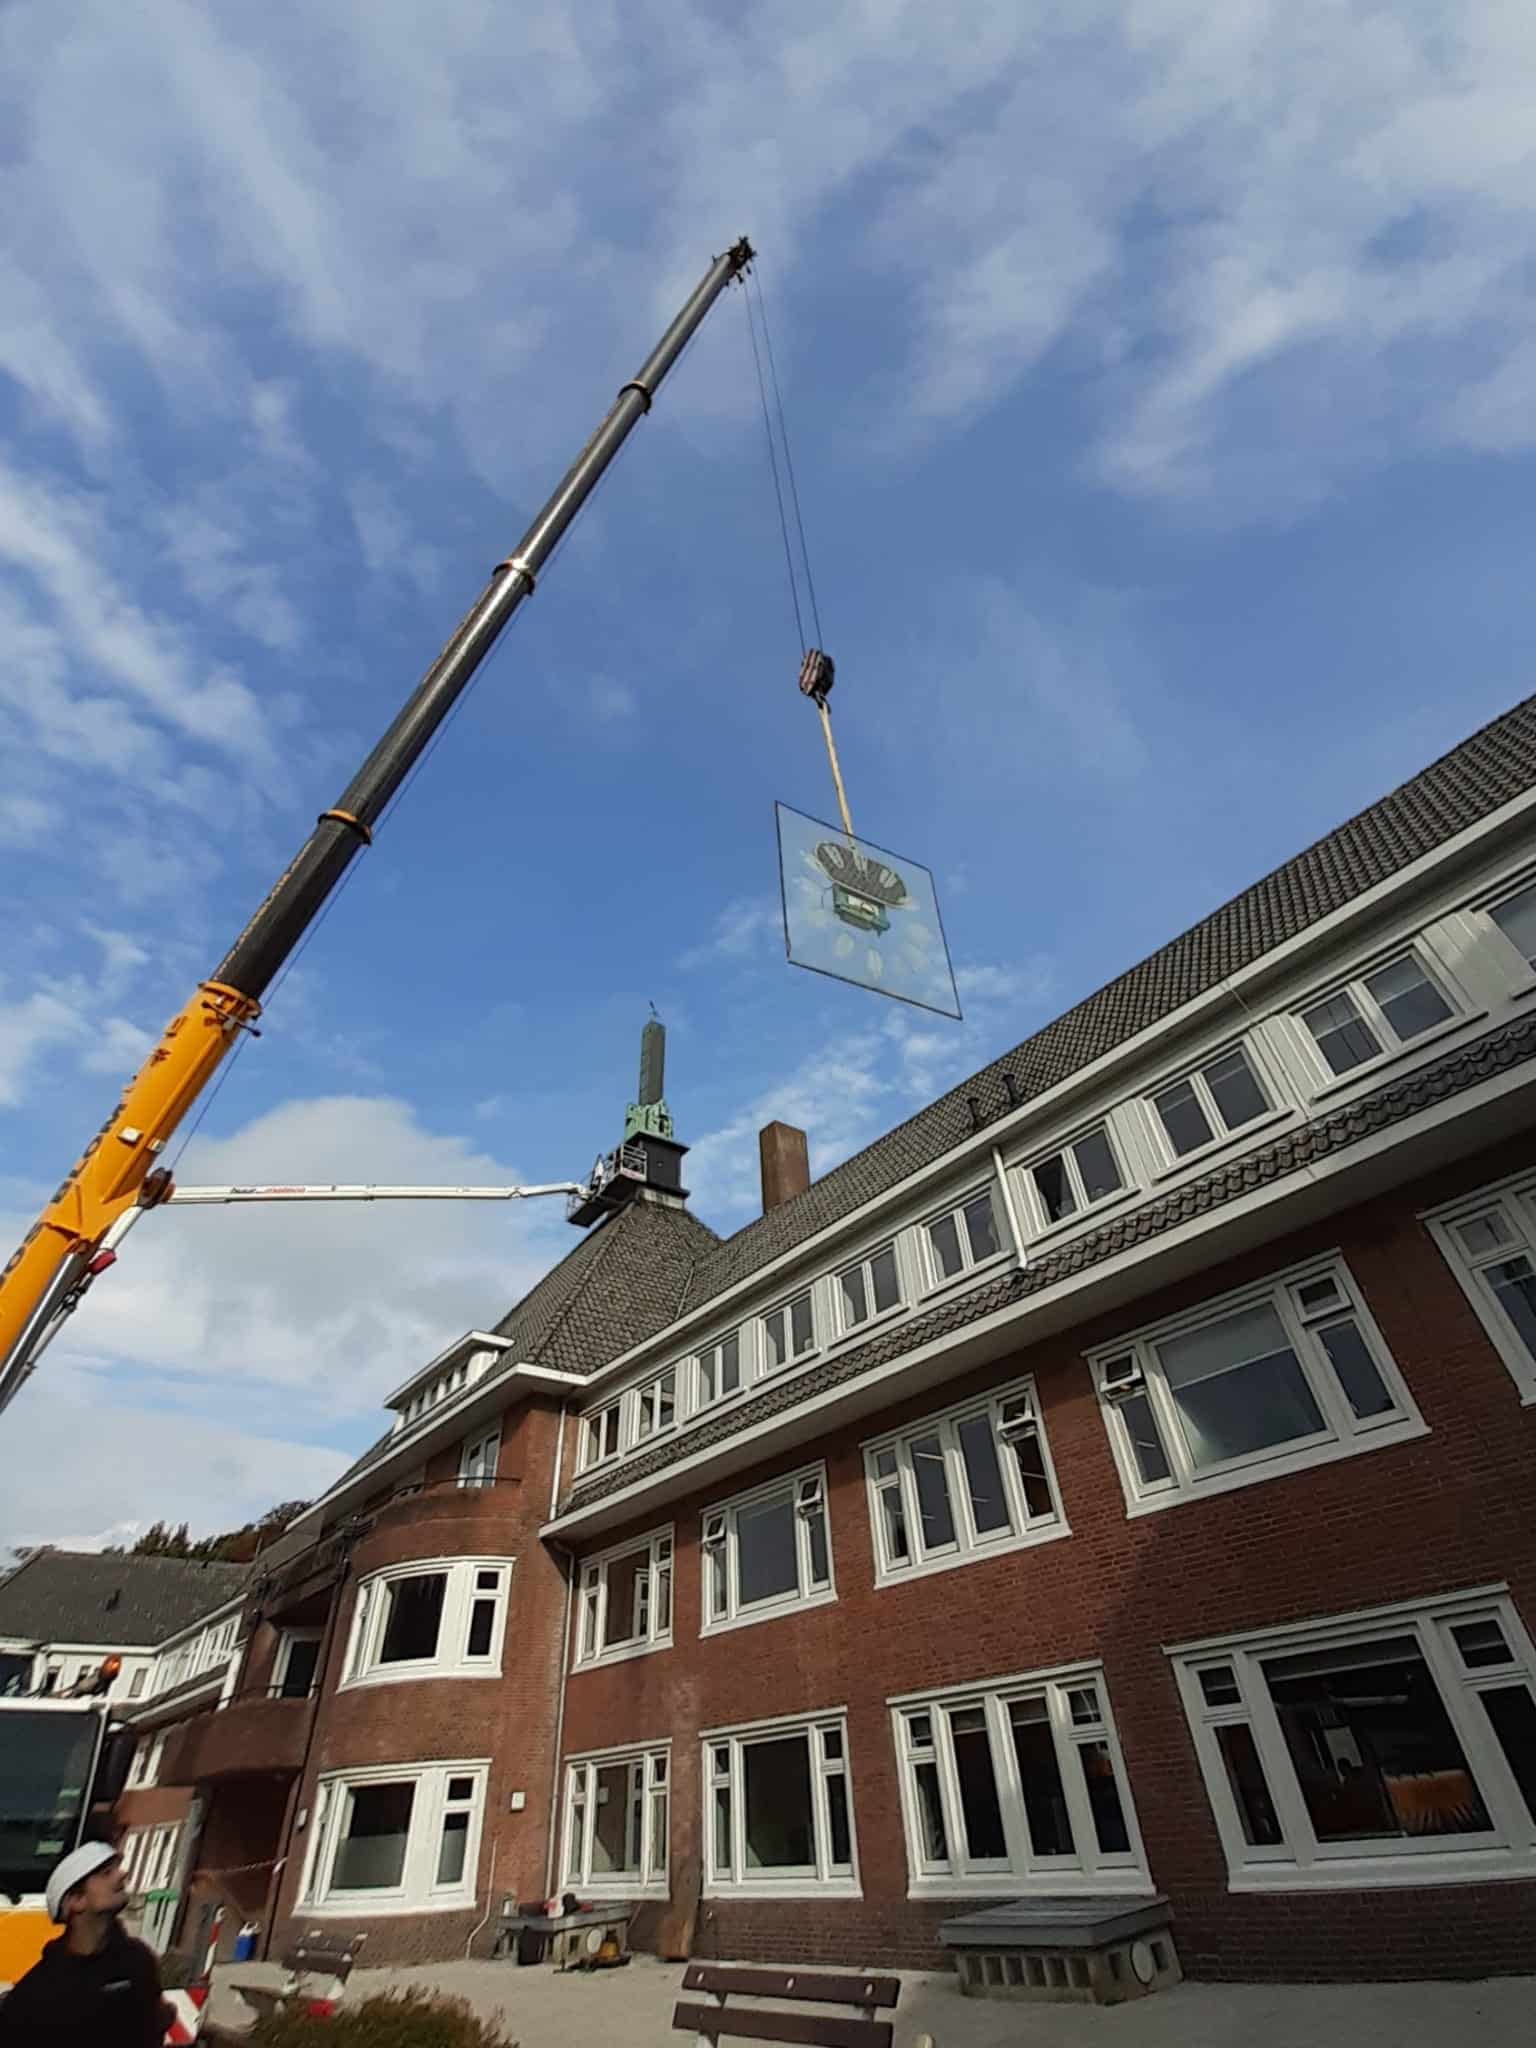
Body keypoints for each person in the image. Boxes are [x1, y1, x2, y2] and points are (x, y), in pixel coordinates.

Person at [0, 1841, 172, 2044]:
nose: (122, 1874)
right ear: (76, 1900)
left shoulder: (138, 1960)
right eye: (106, 1873)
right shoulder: (34, 1995)